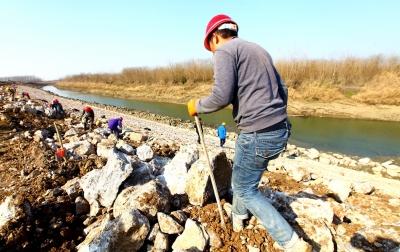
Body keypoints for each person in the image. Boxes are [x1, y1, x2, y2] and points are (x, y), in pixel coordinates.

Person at [187, 14, 310, 251]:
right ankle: (238, 219)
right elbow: (282, 89)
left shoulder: (224, 51)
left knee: (244, 188)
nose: (212, 54)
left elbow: (221, 96)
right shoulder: (258, 50)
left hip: (257, 133)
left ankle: (290, 242)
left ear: (214, 38)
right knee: (243, 179)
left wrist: (196, 105)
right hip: (280, 130)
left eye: (210, 48)